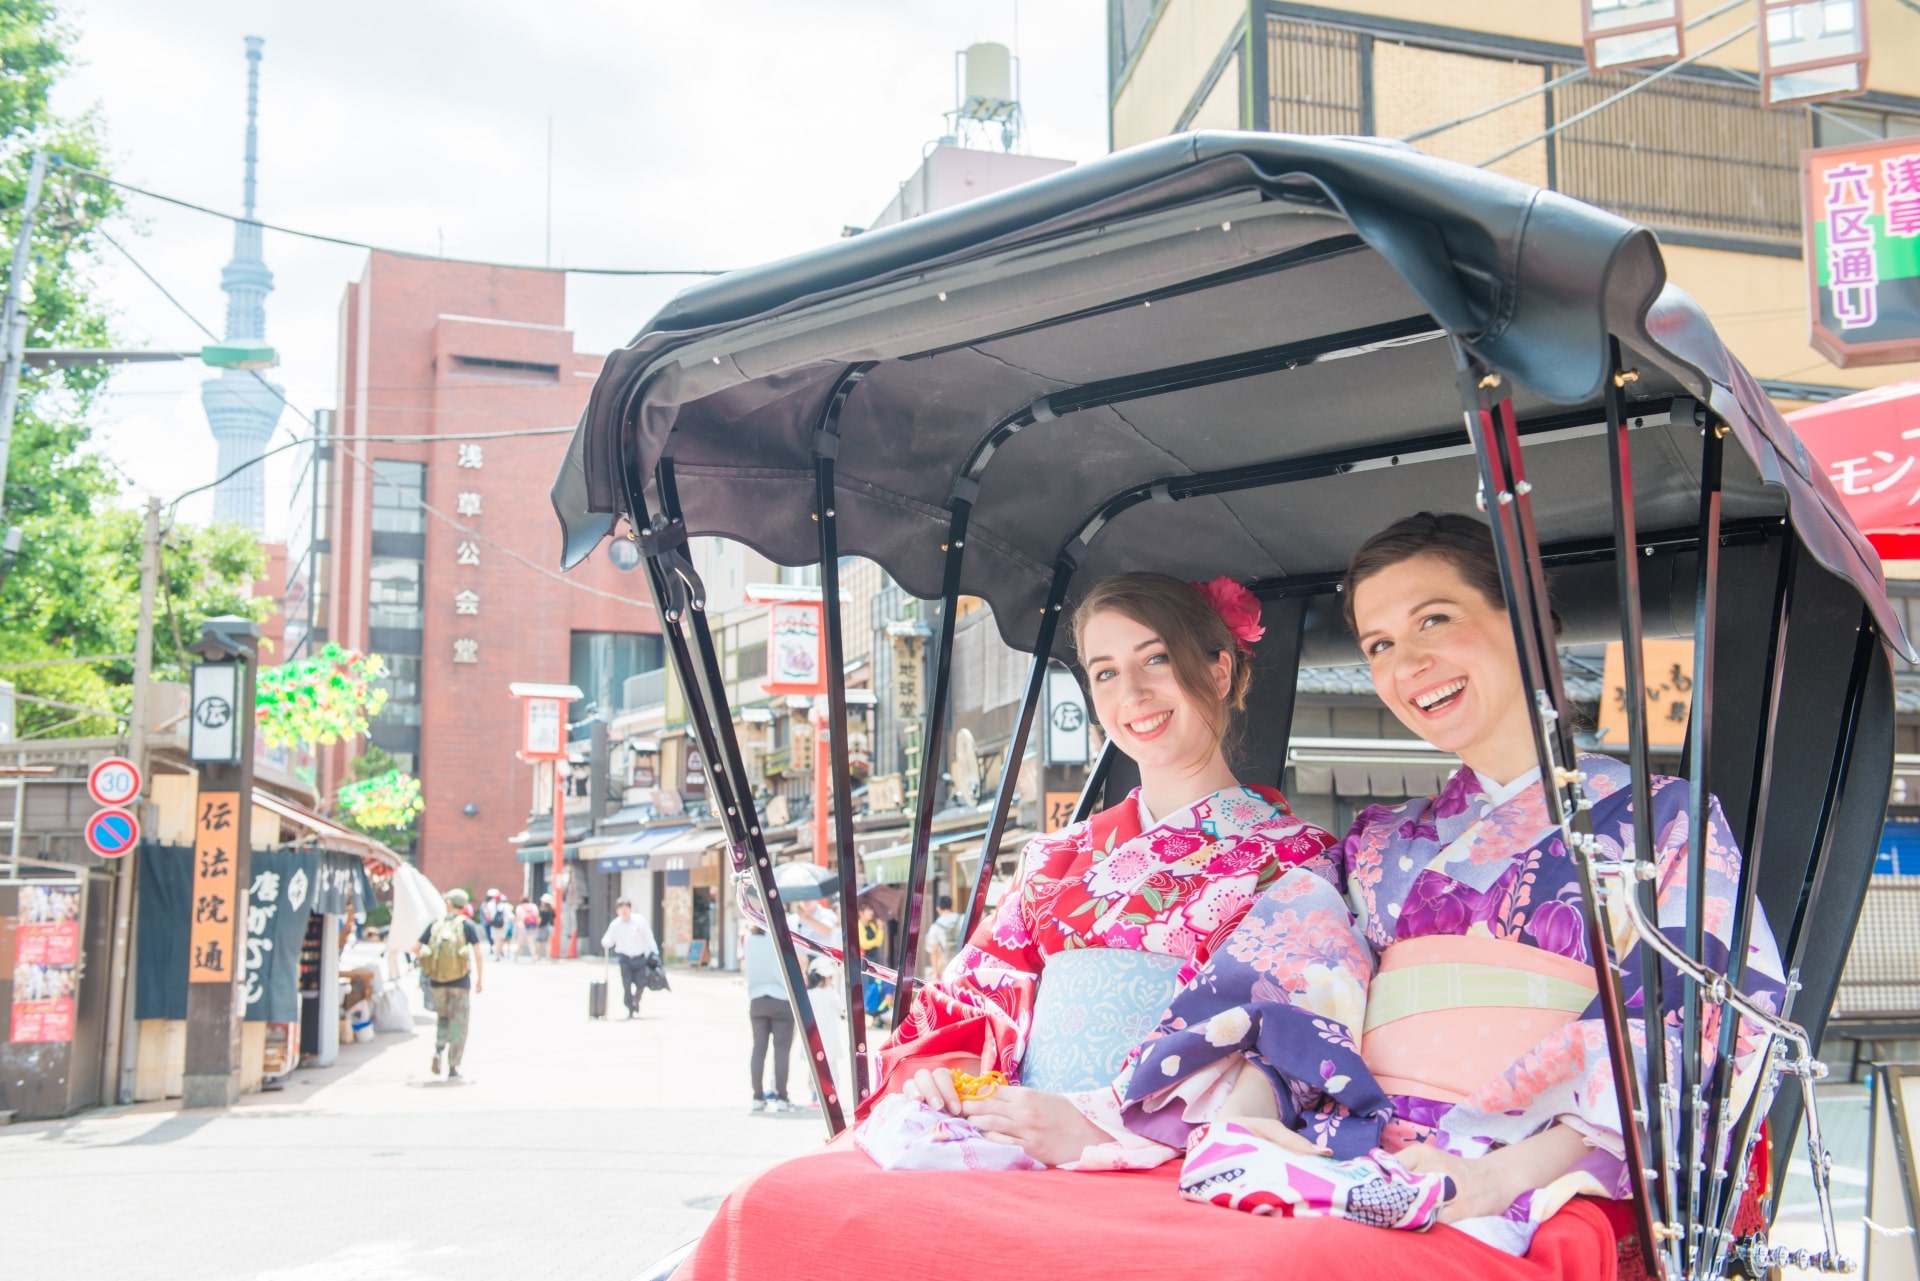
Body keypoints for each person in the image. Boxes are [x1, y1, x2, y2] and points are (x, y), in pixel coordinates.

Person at [1108, 512, 1786, 1272]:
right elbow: (1287, 986)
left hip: (1549, 1176)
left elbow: (1701, 1031)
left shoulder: (1665, 822)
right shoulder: (1376, 844)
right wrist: (1249, 1125)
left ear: (1525, 617)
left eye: (1434, 618)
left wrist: (1499, 1176)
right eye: (1381, 645)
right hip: (1361, 1156)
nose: (1411, 662)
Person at [677, 572, 1344, 1276]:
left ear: (1219, 665)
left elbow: (1288, 1036)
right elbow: (976, 996)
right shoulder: (1057, 859)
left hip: (1163, 1147)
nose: (1133, 695)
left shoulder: (1297, 861)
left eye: (1156, 658)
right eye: (1105, 672)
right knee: (784, 1202)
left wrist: (1098, 1122)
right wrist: (951, 1074)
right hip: (1018, 1131)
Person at [413, 887, 484, 1079]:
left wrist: (429, 967)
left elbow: (416, 948)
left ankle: (438, 1050)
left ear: (449, 903)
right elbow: (477, 954)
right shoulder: (467, 926)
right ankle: (453, 1066)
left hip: (437, 982)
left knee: (443, 1019)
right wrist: (479, 979)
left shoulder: (435, 924)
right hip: (460, 983)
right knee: (459, 1024)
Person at [742, 921, 795, 1113]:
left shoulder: (748, 939)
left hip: (757, 999)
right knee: (781, 1051)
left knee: (758, 1049)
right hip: (781, 998)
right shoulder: (780, 939)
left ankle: (757, 1097)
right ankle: (782, 1097)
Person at [601, 897, 660, 1018]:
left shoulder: (639, 921)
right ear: (617, 910)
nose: (624, 911)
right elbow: (609, 938)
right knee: (626, 985)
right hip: (625, 959)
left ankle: (636, 1000)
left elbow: (649, 937)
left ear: (630, 908)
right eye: (621, 908)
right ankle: (630, 1007)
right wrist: (606, 942)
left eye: (626, 907)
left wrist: (654, 951)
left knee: (641, 983)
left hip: (640, 958)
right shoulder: (615, 924)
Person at [856, 903, 888, 1025]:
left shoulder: (872, 926)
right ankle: (864, 1013)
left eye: (871, 910)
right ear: (861, 912)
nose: (871, 913)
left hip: (872, 958)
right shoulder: (859, 926)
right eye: (868, 910)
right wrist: (875, 940)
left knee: (873, 985)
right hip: (863, 959)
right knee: (865, 985)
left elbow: (878, 943)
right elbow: (864, 944)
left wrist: (880, 929)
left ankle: (870, 1011)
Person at [925, 894, 963, 979]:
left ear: (938, 909)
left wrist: (936, 971)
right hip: (965, 961)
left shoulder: (935, 927)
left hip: (949, 964)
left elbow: (934, 951)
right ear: (951, 906)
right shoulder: (963, 918)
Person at [515, 897, 540, 962]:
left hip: (522, 926)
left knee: (520, 943)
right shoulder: (533, 906)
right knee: (531, 942)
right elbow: (537, 917)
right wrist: (537, 926)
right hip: (531, 926)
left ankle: (516, 956)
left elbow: (517, 918)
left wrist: (515, 929)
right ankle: (534, 956)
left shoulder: (519, 907)